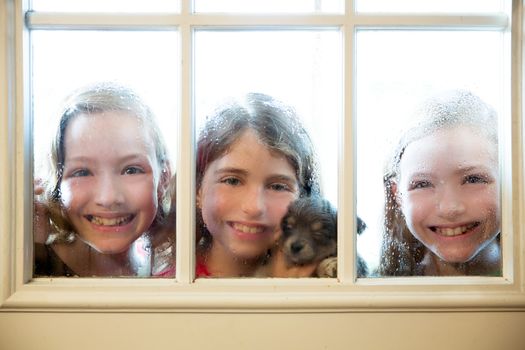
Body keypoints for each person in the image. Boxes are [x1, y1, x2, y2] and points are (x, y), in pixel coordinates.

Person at [34, 82, 175, 277]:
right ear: (56, 184)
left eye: (131, 170)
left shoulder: (170, 270)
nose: (108, 198)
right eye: (82, 172)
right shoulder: (32, 269)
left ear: (164, 178)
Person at [195, 92, 322, 277]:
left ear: (304, 198)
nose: (254, 207)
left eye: (278, 186)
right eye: (232, 180)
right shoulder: (164, 288)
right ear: (197, 189)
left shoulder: (327, 288)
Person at [378, 90, 501, 276]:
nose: (450, 209)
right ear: (398, 196)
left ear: (512, 184)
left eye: (473, 179)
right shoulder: (375, 289)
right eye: (422, 184)